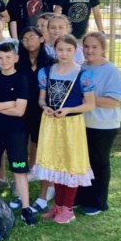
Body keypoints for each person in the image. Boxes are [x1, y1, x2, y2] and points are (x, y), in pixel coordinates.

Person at [32, 34, 96, 225]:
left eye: (68, 50)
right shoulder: (46, 72)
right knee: (55, 162)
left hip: (71, 125)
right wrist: (45, 107)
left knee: (70, 163)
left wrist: (69, 110)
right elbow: (41, 99)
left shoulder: (83, 74)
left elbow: (90, 104)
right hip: (51, 123)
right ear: (55, 50)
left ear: (75, 51)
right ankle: (58, 206)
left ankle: (67, 208)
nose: (64, 53)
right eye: (60, 49)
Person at [0, 42, 37, 225]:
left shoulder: (21, 79)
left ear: (16, 58)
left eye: (8, 57)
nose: (4, 61)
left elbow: (19, 111)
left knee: (19, 169)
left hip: (15, 133)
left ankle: (26, 208)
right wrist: (9, 103)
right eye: (1, 58)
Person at [75, 32, 121, 216]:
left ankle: (97, 202)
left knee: (98, 162)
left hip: (103, 125)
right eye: (86, 46)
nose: (89, 50)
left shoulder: (111, 70)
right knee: (83, 161)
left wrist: (89, 99)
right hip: (82, 123)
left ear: (103, 49)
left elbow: (117, 100)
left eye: (94, 47)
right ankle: (81, 197)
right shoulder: (80, 68)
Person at [15, 27, 54, 195]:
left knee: (43, 147)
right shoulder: (17, 63)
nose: (28, 41)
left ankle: (49, 185)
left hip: (43, 112)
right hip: (21, 112)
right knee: (19, 147)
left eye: (32, 37)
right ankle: (20, 180)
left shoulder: (51, 64)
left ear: (42, 39)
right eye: (24, 38)